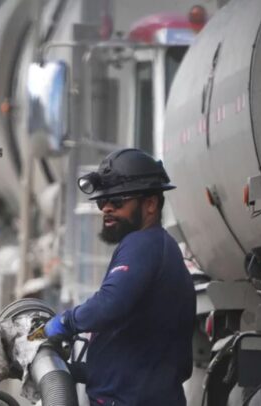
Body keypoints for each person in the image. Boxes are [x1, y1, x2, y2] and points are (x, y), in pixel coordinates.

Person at [44, 148, 196, 406]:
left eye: (118, 201)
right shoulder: (160, 248)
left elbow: (109, 303)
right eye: (104, 202)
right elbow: (139, 348)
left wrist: (66, 322)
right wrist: (81, 371)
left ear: (150, 204)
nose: (107, 209)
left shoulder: (143, 243)